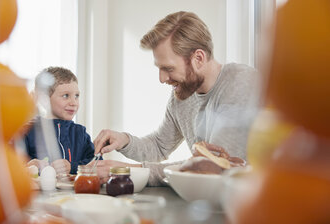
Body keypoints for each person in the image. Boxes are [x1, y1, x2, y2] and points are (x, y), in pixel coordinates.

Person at [93, 11, 260, 186]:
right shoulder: (184, 94)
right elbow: (159, 146)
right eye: (159, 68)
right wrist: (124, 140)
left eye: (168, 68)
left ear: (198, 58)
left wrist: (130, 170)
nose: (162, 78)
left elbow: (215, 167)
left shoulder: (241, 83)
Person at [23, 67, 95, 175]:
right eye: (66, 96)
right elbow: (9, 166)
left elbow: (97, 164)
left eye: (76, 96)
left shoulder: (80, 133)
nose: (74, 102)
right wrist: (30, 166)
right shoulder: (27, 131)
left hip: (76, 191)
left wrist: (73, 166)